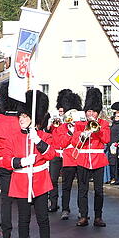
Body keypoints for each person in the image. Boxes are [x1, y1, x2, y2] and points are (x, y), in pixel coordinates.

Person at [4, 91, 56, 238]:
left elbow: (51, 154)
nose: (21, 119)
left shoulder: (43, 136)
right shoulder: (13, 137)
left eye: (25, 116)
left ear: (33, 118)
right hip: (21, 181)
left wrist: (38, 141)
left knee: (43, 219)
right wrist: (22, 162)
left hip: (40, 181)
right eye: (20, 116)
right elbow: (6, 160)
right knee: (23, 220)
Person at [66, 88, 110, 227]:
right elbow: (74, 142)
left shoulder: (103, 124)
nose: (91, 114)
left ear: (98, 112)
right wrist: (83, 134)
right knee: (82, 189)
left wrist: (97, 130)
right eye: (89, 111)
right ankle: (83, 215)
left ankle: (98, 216)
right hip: (83, 159)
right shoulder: (80, 124)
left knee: (99, 190)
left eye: (94, 111)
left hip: (98, 159)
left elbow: (106, 139)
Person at [0, 81, 25, 238]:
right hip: (20, 164)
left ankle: (6, 236)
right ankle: (25, 236)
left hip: (4, 164)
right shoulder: (22, 122)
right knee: (24, 202)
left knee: (6, 201)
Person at [50, 90, 82, 219]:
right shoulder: (62, 128)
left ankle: (82, 210)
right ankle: (65, 209)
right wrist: (69, 132)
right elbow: (60, 143)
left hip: (79, 158)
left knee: (82, 187)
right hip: (68, 158)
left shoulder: (80, 126)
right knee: (66, 186)